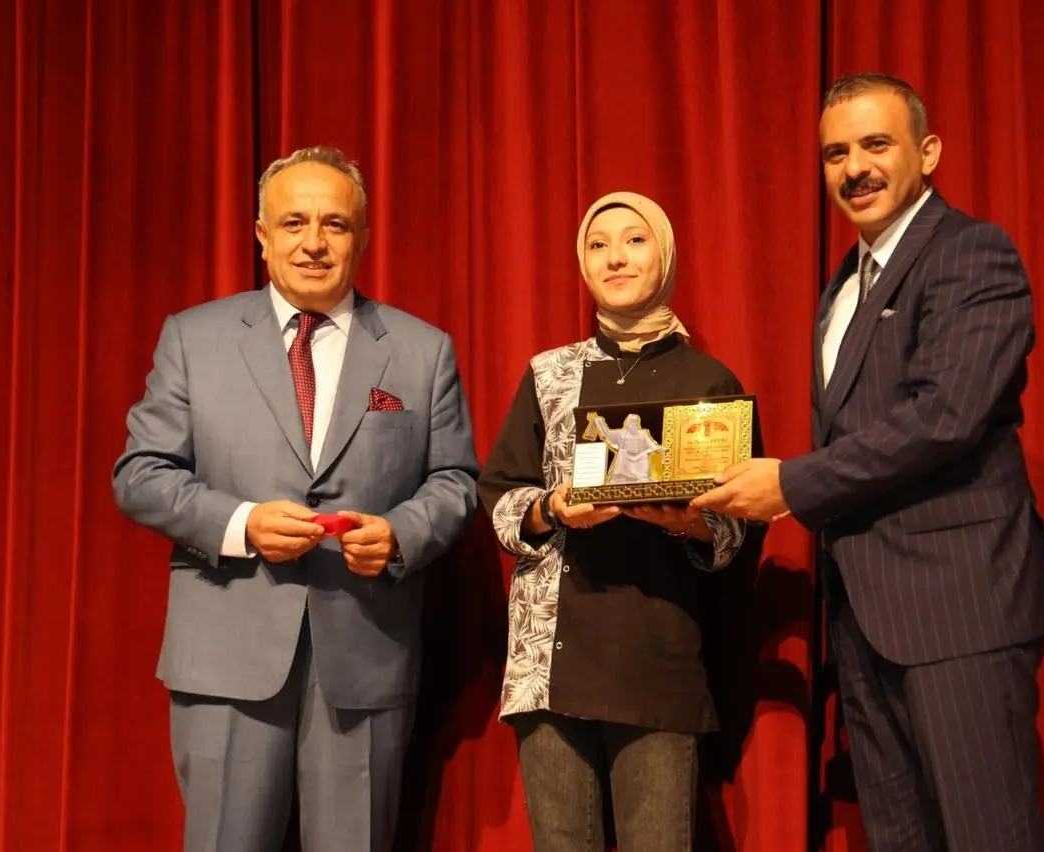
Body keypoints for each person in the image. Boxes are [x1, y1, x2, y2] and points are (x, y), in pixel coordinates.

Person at [693, 73, 1044, 851]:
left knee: (987, 836)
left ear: (927, 152)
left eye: (875, 144)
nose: (854, 168)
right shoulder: (844, 284)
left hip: (959, 610)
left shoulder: (971, 253)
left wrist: (790, 484)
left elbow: (945, 416)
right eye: (836, 153)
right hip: (865, 619)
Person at [112, 145, 479, 851]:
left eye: (334, 224)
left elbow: (456, 481)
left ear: (362, 236)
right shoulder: (193, 338)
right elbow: (141, 473)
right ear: (262, 235)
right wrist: (242, 523)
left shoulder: (422, 350)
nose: (314, 243)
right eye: (294, 223)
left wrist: (400, 535)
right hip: (226, 656)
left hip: (364, 658)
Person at [478, 191, 751, 852]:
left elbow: (737, 528)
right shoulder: (550, 374)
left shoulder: (709, 382)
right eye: (598, 245)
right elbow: (502, 496)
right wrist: (553, 507)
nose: (616, 258)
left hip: (657, 658)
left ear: (665, 255)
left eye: (634, 240)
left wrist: (683, 519)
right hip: (549, 663)